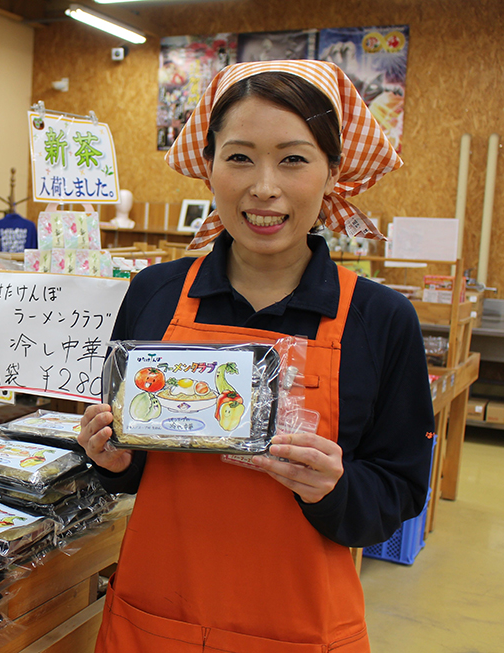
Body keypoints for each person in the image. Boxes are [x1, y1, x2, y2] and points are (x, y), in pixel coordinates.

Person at [79, 60, 435, 652]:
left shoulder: (380, 318)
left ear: (333, 172)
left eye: (293, 158)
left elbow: (396, 492)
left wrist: (335, 486)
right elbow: (134, 460)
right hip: (157, 621)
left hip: (301, 629)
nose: (263, 186)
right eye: (239, 156)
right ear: (209, 164)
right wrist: (110, 458)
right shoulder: (155, 293)